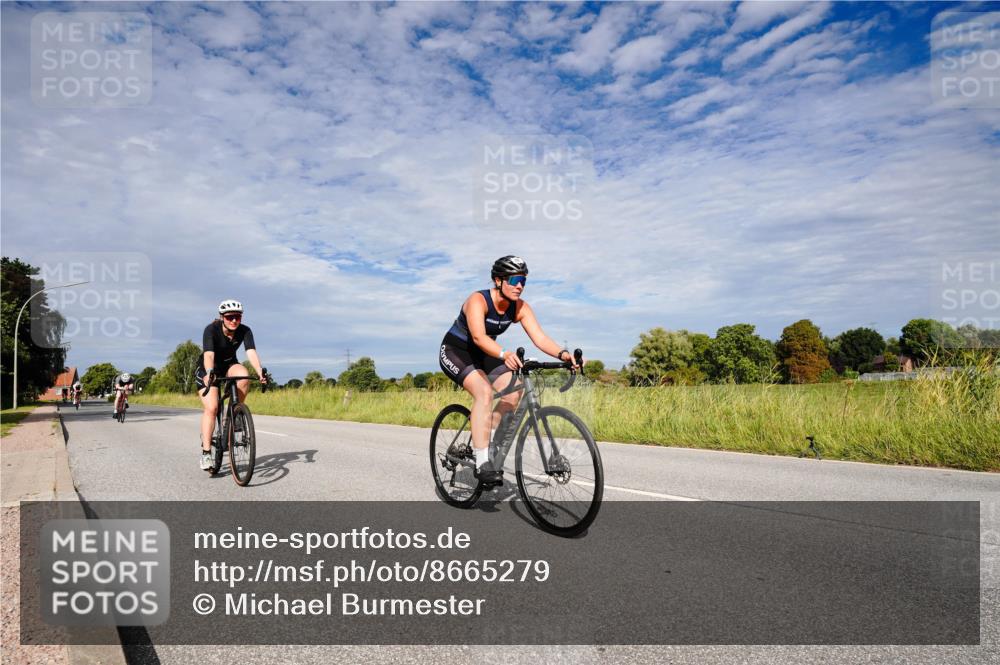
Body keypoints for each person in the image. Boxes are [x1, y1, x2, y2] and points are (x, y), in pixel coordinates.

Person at [438, 256, 580, 485]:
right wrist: (505, 354)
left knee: (515, 390)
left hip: (487, 353)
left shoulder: (520, 307)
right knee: (483, 392)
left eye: (523, 281)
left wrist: (564, 354)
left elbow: (540, 338)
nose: (519, 286)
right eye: (514, 280)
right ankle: (482, 461)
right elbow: (478, 337)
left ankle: (487, 439)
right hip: (457, 351)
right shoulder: (478, 300)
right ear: (498, 280)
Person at [196, 300, 268, 471]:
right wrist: (210, 372)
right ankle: (206, 453)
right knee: (212, 408)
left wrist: (259, 371)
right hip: (209, 368)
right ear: (222, 317)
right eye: (230, 317)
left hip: (229, 365)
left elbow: (251, 352)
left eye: (237, 317)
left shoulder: (245, 330)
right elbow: (208, 355)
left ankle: (234, 412)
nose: (234, 320)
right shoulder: (211, 329)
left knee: (243, 376)